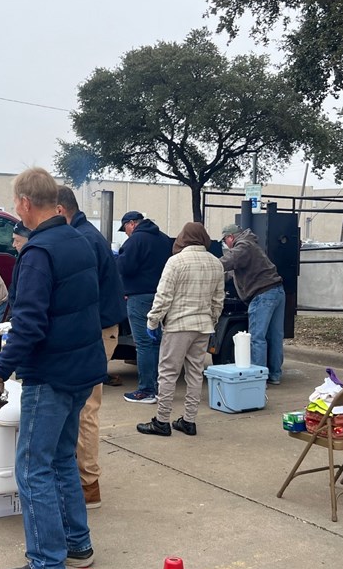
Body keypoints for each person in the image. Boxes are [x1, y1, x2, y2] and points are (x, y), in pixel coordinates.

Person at [0, 167, 106, 569]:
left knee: (33, 467)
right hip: (81, 368)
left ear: (24, 203)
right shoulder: (79, 239)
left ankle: (48, 566)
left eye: (16, 203)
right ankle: (77, 545)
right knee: (62, 458)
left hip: (51, 374)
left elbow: (29, 325)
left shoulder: (37, 252)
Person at [56, 185, 126, 509]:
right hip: (96, 329)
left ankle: (88, 484)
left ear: (59, 210)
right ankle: (77, 477)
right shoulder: (84, 235)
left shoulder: (82, 239)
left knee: (85, 408)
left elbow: (81, 296)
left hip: (96, 332)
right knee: (79, 407)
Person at [138, 222, 224, 437]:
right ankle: (189, 421)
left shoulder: (176, 262)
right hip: (203, 326)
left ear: (182, 238)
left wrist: (153, 321)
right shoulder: (216, 263)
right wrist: (211, 321)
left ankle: (162, 421)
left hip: (178, 326)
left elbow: (164, 296)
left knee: (168, 372)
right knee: (195, 374)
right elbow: (218, 300)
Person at [116, 210, 173, 404]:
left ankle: (146, 390)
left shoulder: (135, 240)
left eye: (125, 228)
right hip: (161, 297)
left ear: (132, 223)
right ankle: (159, 387)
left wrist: (116, 259)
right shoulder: (164, 239)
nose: (126, 233)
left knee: (143, 344)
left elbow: (124, 267)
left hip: (139, 297)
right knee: (156, 342)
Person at [220, 224, 285, 385]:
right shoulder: (251, 245)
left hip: (262, 294)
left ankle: (258, 378)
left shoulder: (243, 246)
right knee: (275, 337)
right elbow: (231, 273)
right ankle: (274, 374)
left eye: (224, 240)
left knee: (257, 338)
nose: (225, 244)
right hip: (277, 291)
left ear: (230, 237)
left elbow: (227, 261)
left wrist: (207, 265)